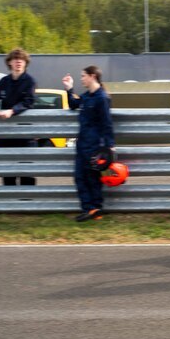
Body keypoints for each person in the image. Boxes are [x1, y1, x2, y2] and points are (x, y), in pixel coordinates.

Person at [62, 66, 115, 222]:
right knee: (79, 177)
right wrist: (69, 88)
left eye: (83, 76)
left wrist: (110, 146)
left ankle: (96, 209)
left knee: (92, 179)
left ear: (92, 76)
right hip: (82, 145)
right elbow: (73, 104)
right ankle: (89, 209)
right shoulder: (87, 96)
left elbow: (107, 124)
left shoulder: (102, 98)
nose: (81, 79)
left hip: (95, 147)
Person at [0, 48, 37, 185]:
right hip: (6, 133)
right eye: (15, 60)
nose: (18, 62)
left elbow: (28, 102)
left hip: (26, 135)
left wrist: (11, 111)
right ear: (10, 63)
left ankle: (28, 204)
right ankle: (10, 204)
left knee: (27, 174)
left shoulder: (30, 81)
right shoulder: (4, 81)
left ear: (26, 63)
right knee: (8, 174)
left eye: (21, 60)